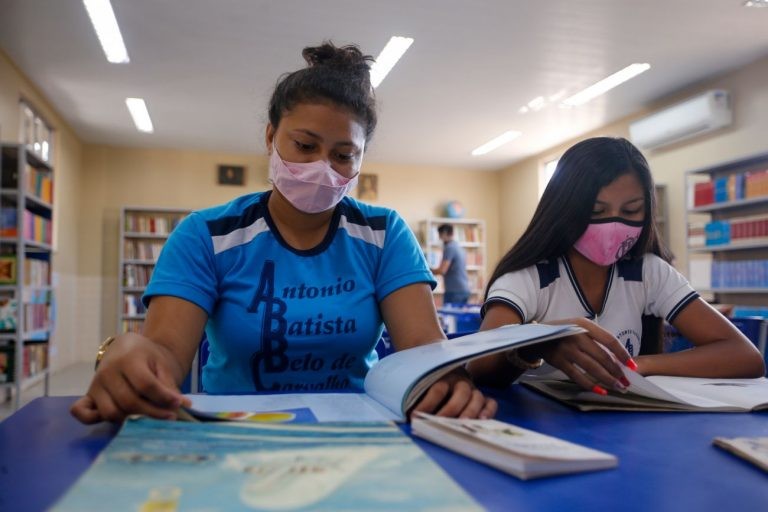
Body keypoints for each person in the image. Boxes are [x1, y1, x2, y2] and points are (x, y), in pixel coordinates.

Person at [71, 42, 496, 424]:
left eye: (343, 155)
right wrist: (133, 355)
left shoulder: (384, 233)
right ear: (271, 137)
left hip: (355, 434)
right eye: (305, 146)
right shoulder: (205, 234)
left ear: (362, 160)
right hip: (235, 432)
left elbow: (423, 346)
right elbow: (164, 351)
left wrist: (447, 379)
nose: (322, 168)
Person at [468, 137, 765, 393]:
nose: (613, 224)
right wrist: (538, 340)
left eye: (631, 210)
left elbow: (745, 356)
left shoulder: (648, 271)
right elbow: (479, 365)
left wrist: (636, 365)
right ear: (565, 210)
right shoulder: (530, 277)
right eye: (596, 211)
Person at [431, 224, 472, 305]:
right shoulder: (458, 247)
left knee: (451, 317)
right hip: (463, 289)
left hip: (454, 291)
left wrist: (427, 270)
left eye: (440, 235)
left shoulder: (449, 248)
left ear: (444, 234)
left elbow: (442, 270)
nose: (439, 238)